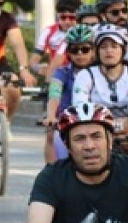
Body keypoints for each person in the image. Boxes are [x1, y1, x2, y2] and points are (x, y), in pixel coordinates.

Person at [70, 24, 128, 159]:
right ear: (97, 51)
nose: (109, 51)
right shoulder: (86, 75)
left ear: (123, 50)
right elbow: (79, 105)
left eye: (114, 46)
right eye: (103, 47)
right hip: (99, 133)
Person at [41, 24, 97, 163]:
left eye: (85, 49)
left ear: (94, 51)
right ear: (68, 52)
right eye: (74, 50)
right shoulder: (62, 72)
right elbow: (54, 94)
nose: (79, 54)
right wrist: (51, 116)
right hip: (68, 123)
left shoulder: (101, 72)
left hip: (97, 122)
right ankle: (53, 176)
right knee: (51, 135)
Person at [29, 0, 82, 81]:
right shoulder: (48, 31)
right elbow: (33, 62)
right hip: (56, 77)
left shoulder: (84, 31)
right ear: (58, 16)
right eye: (63, 17)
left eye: (72, 18)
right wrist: (38, 68)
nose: (67, 22)